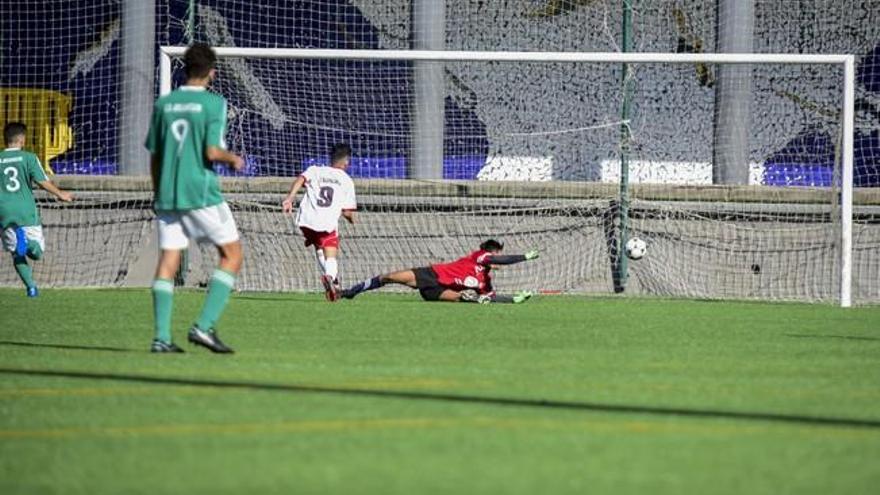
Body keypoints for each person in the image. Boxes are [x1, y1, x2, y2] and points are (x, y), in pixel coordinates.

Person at [144, 43, 245, 354]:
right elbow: (211, 152)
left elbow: (156, 155)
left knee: (168, 262)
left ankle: (161, 338)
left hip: (168, 193)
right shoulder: (214, 104)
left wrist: (158, 189)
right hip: (200, 192)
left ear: (185, 68)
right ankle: (203, 327)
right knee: (232, 256)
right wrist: (233, 159)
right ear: (212, 72)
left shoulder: (165, 104)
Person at [0, 122, 74, 297]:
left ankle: (31, 287)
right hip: (25, 211)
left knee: (16, 254)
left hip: (4, 212)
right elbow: (42, 181)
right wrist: (60, 194)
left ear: (5, 140)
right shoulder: (29, 158)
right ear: (22, 139)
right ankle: (28, 244)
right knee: (37, 253)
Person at [340, 239, 538, 303]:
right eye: (496, 254)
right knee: (389, 277)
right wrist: (524, 257)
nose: (497, 259)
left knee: (468, 298)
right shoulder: (479, 257)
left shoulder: (484, 281)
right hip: (431, 274)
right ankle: (351, 292)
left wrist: (512, 299)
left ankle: (468, 300)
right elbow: (500, 260)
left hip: (438, 290)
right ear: (489, 252)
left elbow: (491, 296)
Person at [281, 143, 357, 301]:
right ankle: (330, 276)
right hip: (326, 222)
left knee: (319, 247)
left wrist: (289, 199)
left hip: (307, 220)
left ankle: (333, 283)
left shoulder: (315, 170)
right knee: (331, 253)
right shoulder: (346, 180)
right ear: (346, 162)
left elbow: (301, 179)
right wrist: (352, 219)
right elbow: (347, 211)